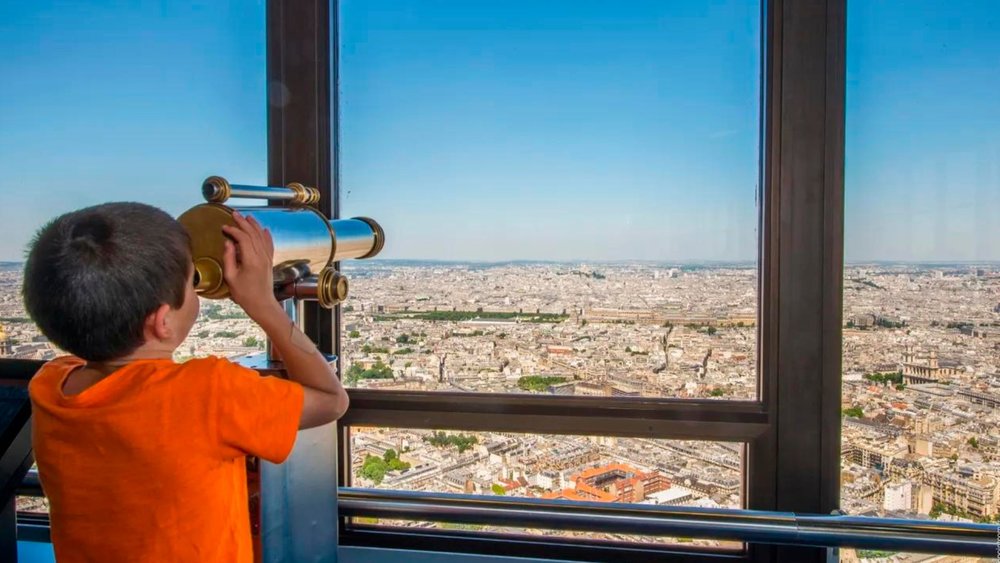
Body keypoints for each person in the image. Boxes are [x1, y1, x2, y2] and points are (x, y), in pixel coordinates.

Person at [22, 202, 349, 562]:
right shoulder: (207, 393)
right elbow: (330, 398)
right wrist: (263, 304)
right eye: (192, 281)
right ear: (162, 322)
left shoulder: (50, 386)